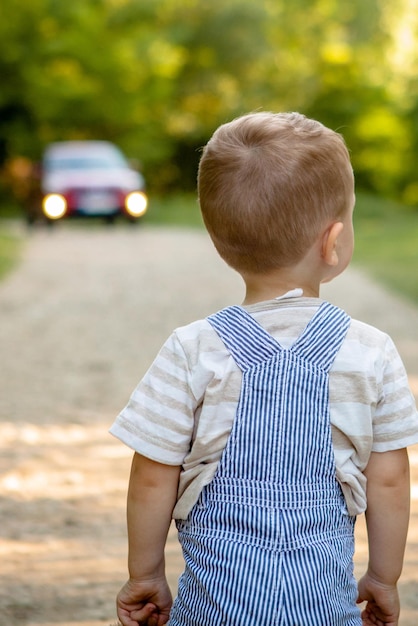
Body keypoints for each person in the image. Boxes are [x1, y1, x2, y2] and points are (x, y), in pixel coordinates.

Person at [110, 112, 418, 626]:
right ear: (334, 242)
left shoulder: (194, 349)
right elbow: (387, 478)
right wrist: (383, 577)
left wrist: (146, 575)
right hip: (323, 605)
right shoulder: (370, 352)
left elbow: (151, 473)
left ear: (217, 240)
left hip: (214, 607)